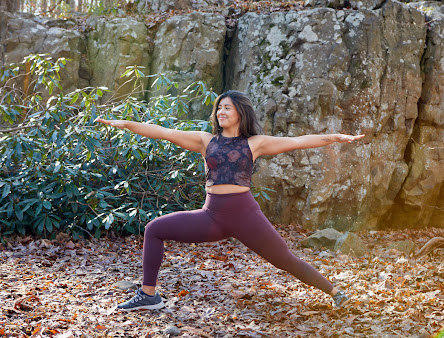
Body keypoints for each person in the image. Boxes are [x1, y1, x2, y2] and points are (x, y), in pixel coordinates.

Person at [95, 90, 365, 311]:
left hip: (246, 215)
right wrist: (126, 125)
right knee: (154, 229)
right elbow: (164, 132)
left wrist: (334, 138)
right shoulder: (205, 141)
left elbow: (296, 141)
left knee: (284, 258)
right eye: (219, 108)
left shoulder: (254, 144)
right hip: (211, 217)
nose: (221, 112)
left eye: (227, 108)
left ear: (239, 113)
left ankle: (335, 291)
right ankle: (148, 295)